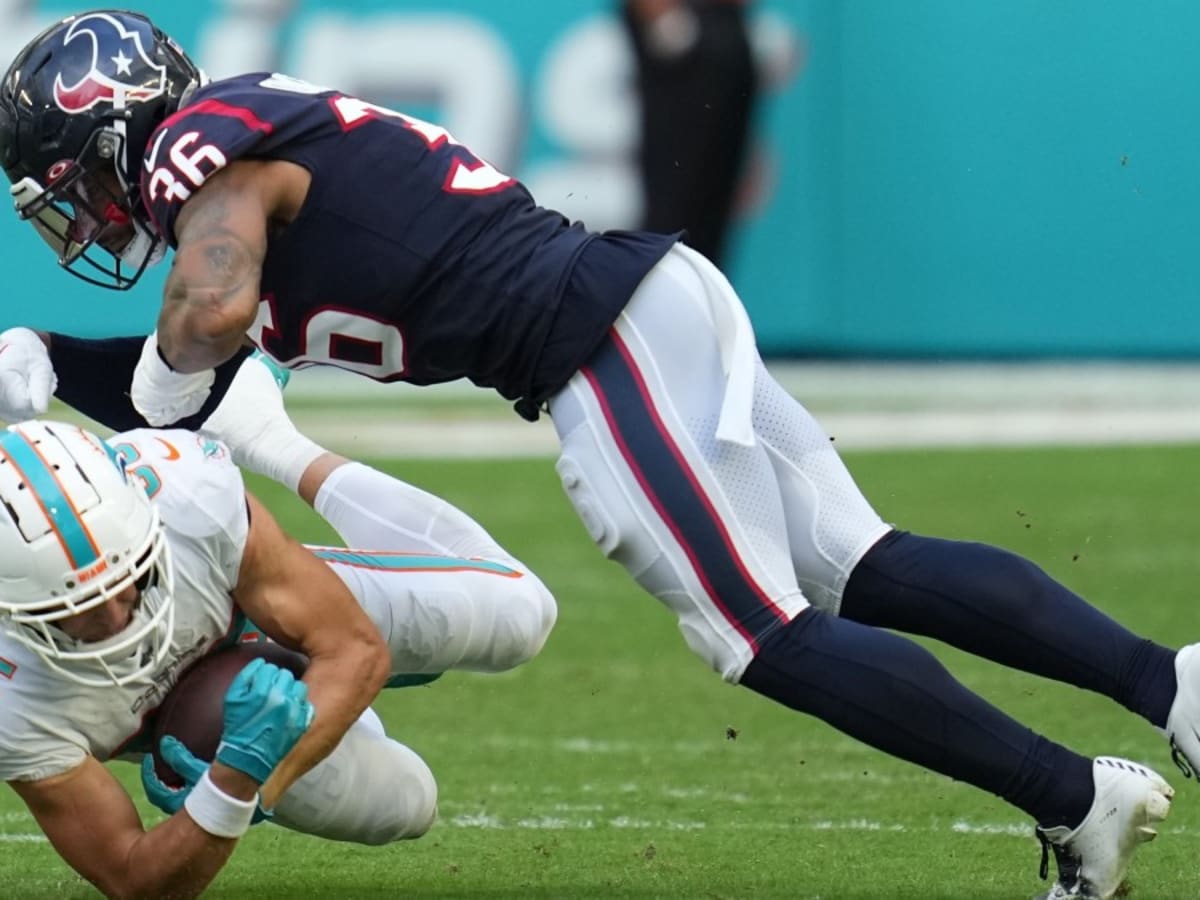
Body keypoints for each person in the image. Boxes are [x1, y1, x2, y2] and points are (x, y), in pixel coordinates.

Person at [0, 11, 1194, 897]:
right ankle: (1175, 685)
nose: (69, 215)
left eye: (59, 183)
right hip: (643, 302)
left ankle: (1073, 798)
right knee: (858, 565)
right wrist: (50, 359)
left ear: (110, 131)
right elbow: (213, 343)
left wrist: (151, 392)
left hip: (594, 344)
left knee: (756, 632)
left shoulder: (198, 152)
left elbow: (203, 327)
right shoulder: (237, 154)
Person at [0, 352, 557, 899]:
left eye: (132, 579)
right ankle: (310, 717)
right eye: (77, 612)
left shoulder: (184, 492)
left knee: (523, 614)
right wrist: (237, 777)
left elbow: (351, 649)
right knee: (408, 806)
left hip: (267, 607)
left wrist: (268, 779)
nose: (119, 616)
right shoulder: (13, 701)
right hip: (216, 733)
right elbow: (132, 876)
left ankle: (268, 439)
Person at [619, 0, 759, 265]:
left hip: (724, 27)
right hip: (684, 30)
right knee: (672, 222)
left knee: (708, 227)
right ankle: (655, 300)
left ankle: (690, 301)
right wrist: (662, 15)